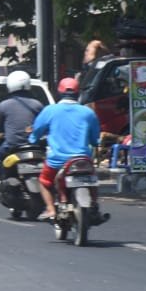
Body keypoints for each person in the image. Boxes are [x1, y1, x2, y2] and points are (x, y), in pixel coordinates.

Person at [29, 76, 101, 225]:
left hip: (57, 160)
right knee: (92, 181)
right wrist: (93, 142)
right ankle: (94, 206)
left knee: (43, 181)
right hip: (82, 160)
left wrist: (33, 140)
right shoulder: (87, 112)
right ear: (77, 93)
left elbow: (36, 131)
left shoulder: (50, 110)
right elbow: (95, 138)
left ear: (59, 93)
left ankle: (50, 209)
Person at [0, 71, 45, 180]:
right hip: (35, 145)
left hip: (12, 146)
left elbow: (0, 128)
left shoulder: (4, 105)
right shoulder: (37, 104)